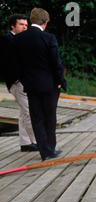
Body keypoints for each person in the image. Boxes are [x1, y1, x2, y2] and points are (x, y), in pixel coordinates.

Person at [12, 8, 66, 161]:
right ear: (46, 22)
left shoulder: (18, 39)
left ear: (30, 20)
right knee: (50, 116)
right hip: (49, 85)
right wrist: (59, 82)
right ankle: (51, 148)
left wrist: (24, 79)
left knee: (36, 118)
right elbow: (56, 63)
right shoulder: (49, 38)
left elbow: (16, 64)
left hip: (31, 85)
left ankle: (44, 151)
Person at [1, 13, 37, 152]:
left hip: (25, 81)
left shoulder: (23, 40)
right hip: (17, 82)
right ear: (13, 25)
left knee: (23, 112)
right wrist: (15, 80)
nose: (24, 27)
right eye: (21, 24)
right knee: (28, 111)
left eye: (26, 25)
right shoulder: (6, 39)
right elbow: (4, 62)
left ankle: (25, 142)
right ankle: (36, 141)